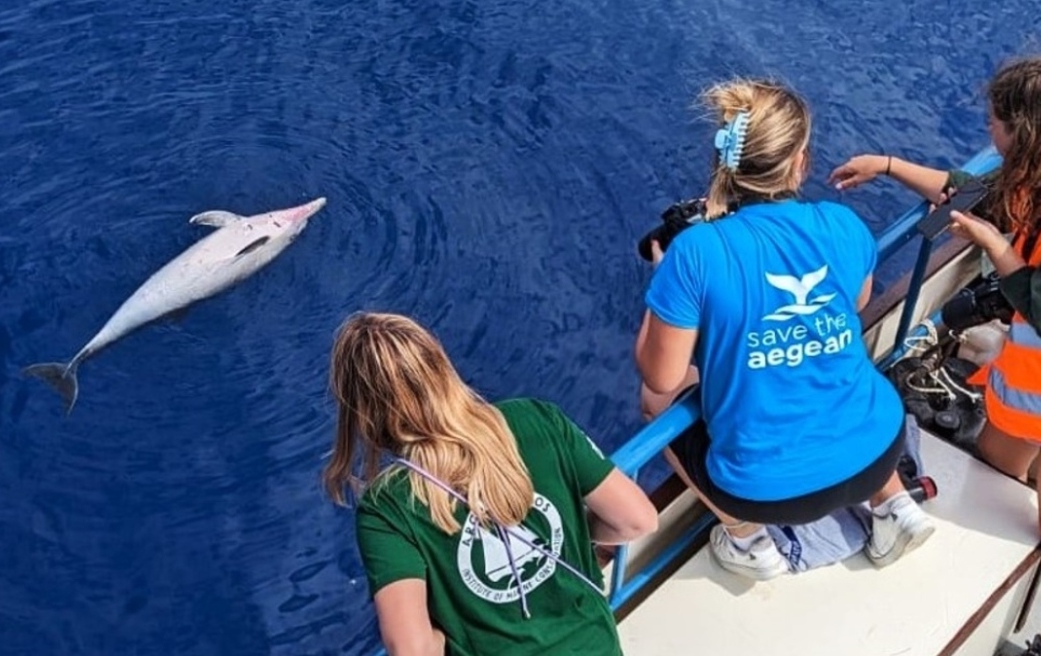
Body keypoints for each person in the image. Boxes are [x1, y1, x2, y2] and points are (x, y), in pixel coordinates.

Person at [634, 77, 935, 581]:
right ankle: (897, 508)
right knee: (842, 373)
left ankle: (749, 541)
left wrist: (666, 281)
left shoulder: (694, 254)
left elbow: (661, 375)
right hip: (880, 453)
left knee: (653, 402)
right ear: (801, 162)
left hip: (764, 493)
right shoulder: (842, 225)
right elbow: (857, 302)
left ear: (722, 163)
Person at [324, 312, 658, 656]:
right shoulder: (536, 419)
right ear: (440, 366)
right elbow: (637, 519)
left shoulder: (387, 509)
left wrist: (445, 638)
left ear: (361, 412)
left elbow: (413, 649)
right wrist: (571, 535)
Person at [831, 56, 1041, 532]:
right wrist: (886, 166)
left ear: (1021, 133)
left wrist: (995, 246)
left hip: (1032, 398)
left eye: (995, 123)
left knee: (998, 474)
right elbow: (964, 189)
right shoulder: (1029, 181)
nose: (989, 131)